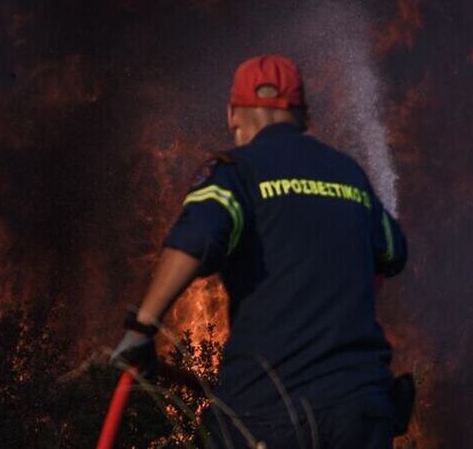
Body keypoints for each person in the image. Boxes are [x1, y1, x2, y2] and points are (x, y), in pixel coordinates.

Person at [111, 54, 408, 448]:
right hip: (361, 414)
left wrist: (142, 330)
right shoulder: (349, 174)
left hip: (270, 414)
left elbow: (195, 239)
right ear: (303, 116)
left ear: (233, 114)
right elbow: (393, 252)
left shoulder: (237, 170)